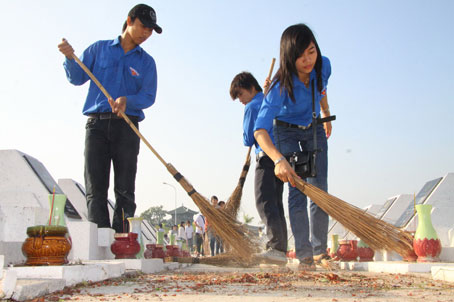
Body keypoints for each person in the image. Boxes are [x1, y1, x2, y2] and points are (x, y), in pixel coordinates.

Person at [57, 4, 163, 234]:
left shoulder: (147, 62)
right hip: (96, 125)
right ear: (129, 20)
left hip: (127, 126)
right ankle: (99, 237)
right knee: (95, 186)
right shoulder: (99, 49)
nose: (146, 34)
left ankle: (122, 238)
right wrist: (68, 57)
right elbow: (76, 78)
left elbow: (148, 95)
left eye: (150, 30)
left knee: (125, 188)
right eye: (143, 26)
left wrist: (127, 101)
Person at [254, 24, 333, 271]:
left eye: (311, 51)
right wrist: (279, 159)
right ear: (290, 58)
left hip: (313, 127)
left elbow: (321, 89)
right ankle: (304, 253)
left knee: (319, 188)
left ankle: (321, 251)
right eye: (301, 56)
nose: (308, 60)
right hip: (285, 131)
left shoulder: (324, 66)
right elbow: (260, 131)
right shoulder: (279, 87)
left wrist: (326, 112)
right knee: (298, 189)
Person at [230, 72, 287, 264]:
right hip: (279, 158)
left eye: (239, 95)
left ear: (251, 88)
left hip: (265, 157)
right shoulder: (269, 100)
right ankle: (280, 249)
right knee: (276, 204)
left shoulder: (253, 105)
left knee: (264, 201)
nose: (240, 100)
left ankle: (275, 246)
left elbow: (248, 138)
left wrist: (247, 116)